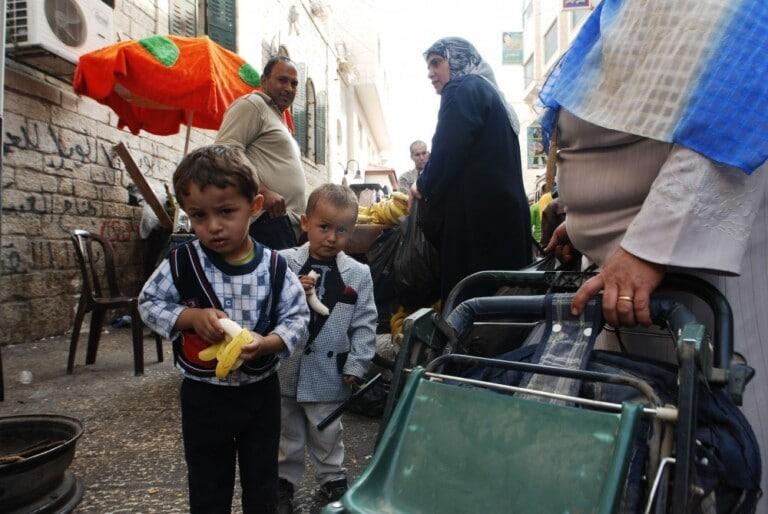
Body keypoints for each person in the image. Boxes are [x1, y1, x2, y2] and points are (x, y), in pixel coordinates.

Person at [541, 1, 768, 505]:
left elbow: (735, 110)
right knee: (640, 438)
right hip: (621, 267)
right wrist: (576, 219)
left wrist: (648, 247)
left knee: (709, 435)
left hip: (689, 262)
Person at [138, 145, 310, 513]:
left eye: (226, 212)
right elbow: (148, 303)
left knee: (262, 482)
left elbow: (297, 317)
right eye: (199, 216)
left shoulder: (275, 267)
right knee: (207, 484)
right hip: (203, 397)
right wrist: (189, 318)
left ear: (255, 206)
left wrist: (268, 343)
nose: (213, 226)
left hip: (260, 395)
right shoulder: (181, 262)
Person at [276, 184, 377, 512]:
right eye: (324, 227)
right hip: (286, 366)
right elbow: (268, 309)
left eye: (342, 230)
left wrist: (357, 364)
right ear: (305, 223)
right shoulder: (283, 263)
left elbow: (364, 322)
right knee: (286, 431)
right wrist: (292, 289)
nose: (332, 237)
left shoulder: (358, 274)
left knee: (327, 429)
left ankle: (332, 480)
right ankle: (282, 483)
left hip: (329, 371)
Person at [411, 37, 532, 302]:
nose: (430, 73)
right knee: (507, 305)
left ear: (457, 60)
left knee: (472, 309)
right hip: (506, 221)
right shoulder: (491, 95)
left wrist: (421, 184)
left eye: (436, 63)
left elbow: (447, 149)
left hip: (479, 226)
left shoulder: (462, 87)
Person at [216, 56, 306, 250]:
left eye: (294, 83)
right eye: (282, 80)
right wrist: (262, 191)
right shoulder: (252, 105)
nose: (289, 88)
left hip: (284, 223)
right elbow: (223, 155)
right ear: (264, 81)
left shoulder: (277, 117)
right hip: (266, 221)